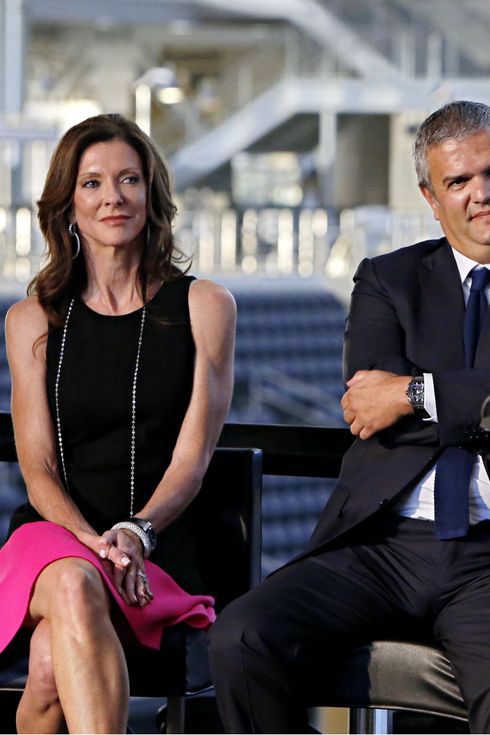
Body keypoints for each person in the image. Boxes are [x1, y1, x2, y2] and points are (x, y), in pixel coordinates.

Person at [209, 100, 490, 732]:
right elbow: (369, 403)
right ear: (432, 198)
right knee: (241, 638)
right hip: (382, 544)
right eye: (459, 182)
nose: (482, 194)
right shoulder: (387, 278)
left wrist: (415, 394)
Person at [0, 113, 236, 733]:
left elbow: (192, 459)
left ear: (152, 195)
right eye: (93, 183)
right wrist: (91, 541)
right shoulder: (31, 320)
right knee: (75, 586)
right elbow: (39, 470)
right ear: (67, 205)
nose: (113, 198)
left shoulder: (206, 307)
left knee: (50, 663)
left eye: (129, 180)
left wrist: (134, 534)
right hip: (55, 537)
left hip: (159, 543)